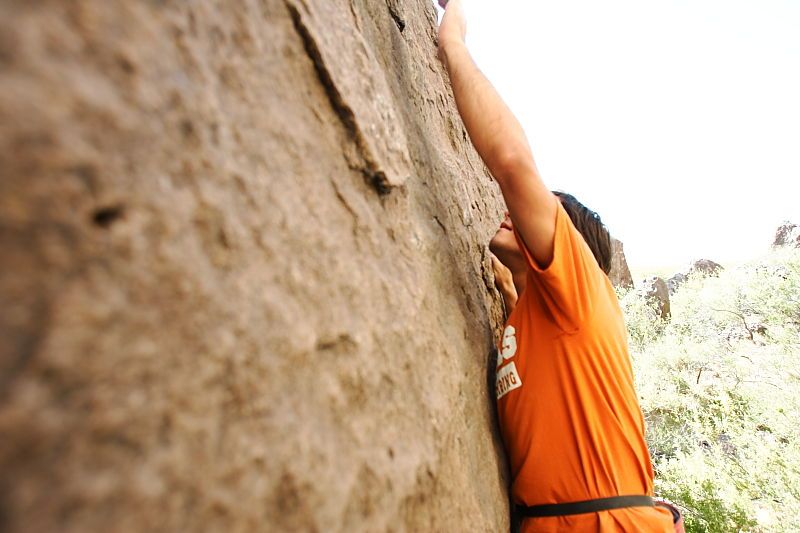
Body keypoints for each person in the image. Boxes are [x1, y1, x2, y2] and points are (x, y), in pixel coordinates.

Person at [436, 1, 683, 531]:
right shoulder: (529, 316)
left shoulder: (581, 291)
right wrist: (508, 286)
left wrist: (452, 37)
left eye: (534, 212)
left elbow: (511, 162)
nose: (510, 211)